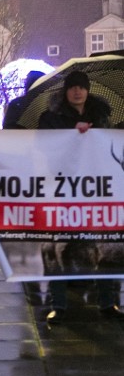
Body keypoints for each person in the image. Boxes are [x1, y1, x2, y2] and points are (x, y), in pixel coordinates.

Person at [38, 70, 124, 323]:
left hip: (97, 190)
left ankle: (108, 302)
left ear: (88, 90)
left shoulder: (101, 115)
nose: (77, 91)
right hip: (63, 190)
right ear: (66, 91)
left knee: (105, 244)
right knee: (59, 247)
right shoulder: (51, 118)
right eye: (73, 87)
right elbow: (44, 146)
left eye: (82, 87)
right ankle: (58, 304)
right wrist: (71, 133)